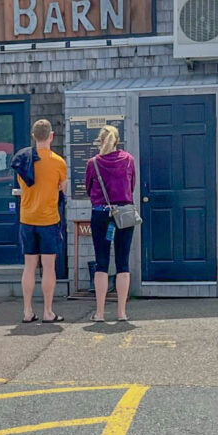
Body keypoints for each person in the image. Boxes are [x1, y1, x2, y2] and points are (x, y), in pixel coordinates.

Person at [14, 119, 67, 324]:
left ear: (33, 136)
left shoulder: (22, 160)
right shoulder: (58, 162)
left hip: (27, 218)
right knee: (48, 266)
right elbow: (63, 189)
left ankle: (27, 311)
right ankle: (47, 311)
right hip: (48, 219)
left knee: (29, 266)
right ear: (51, 136)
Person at [84, 125, 137, 322]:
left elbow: (89, 189)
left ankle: (99, 312)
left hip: (101, 214)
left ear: (101, 141)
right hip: (123, 214)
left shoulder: (93, 163)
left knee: (101, 262)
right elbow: (131, 187)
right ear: (117, 141)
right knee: (123, 262)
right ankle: (121, 312)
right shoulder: (128, 160)